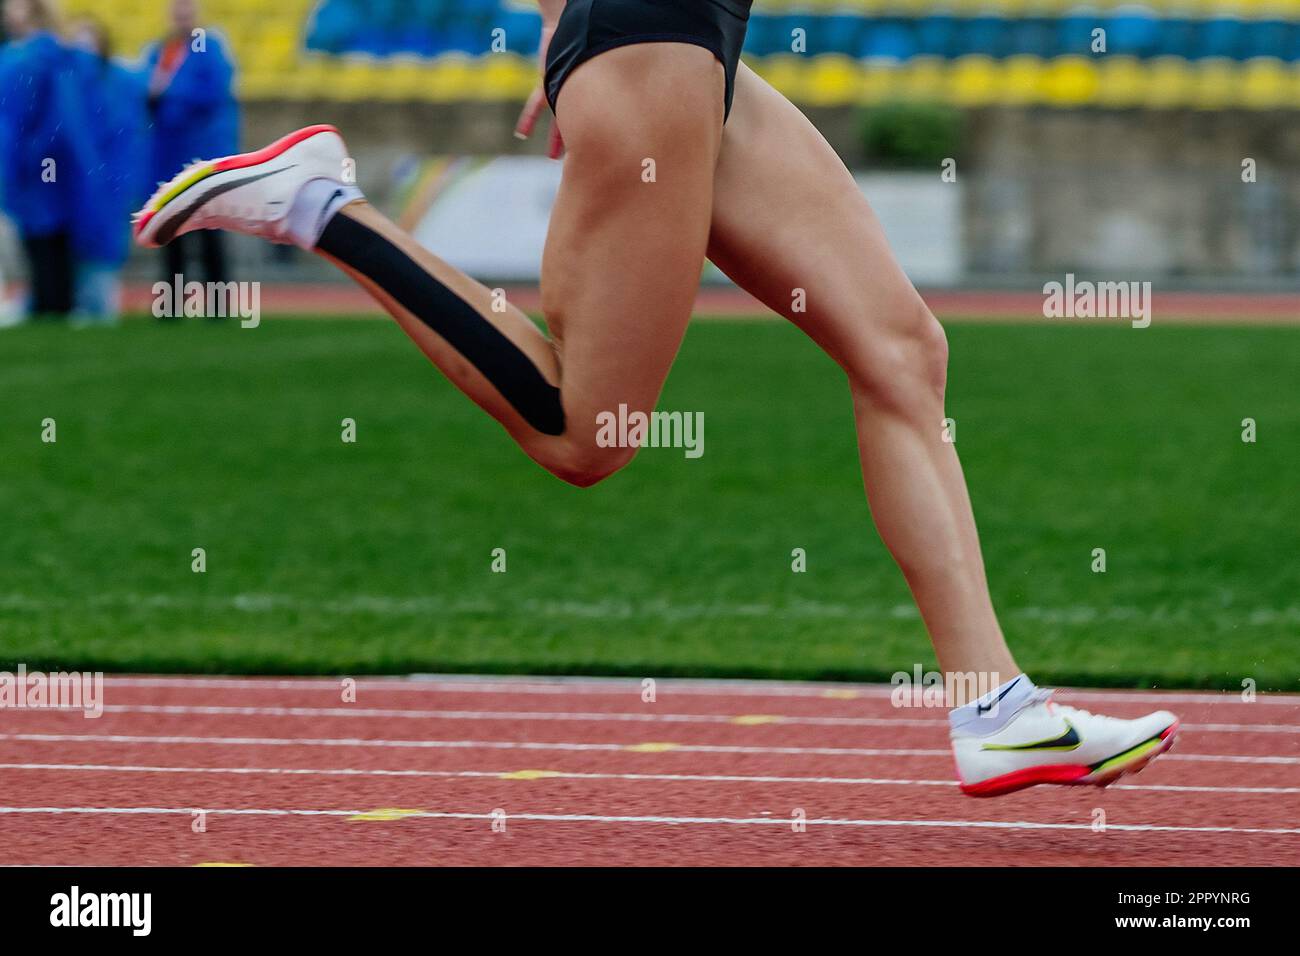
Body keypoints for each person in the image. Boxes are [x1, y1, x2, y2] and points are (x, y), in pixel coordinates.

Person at [132, 0, 1179, 796]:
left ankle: (993, 705)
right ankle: (320, 205)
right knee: (582, 430)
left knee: (904, 350)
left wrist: (555, 25)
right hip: (652, 39)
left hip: (694, 40)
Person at [141, 0, 237, 308]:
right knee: (172, 230)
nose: (181, 14)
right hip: (168, 155)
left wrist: (168, 89)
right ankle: (172, 304)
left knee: (210, 229)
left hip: (203, 155)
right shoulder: (162, 49)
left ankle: (218, 304)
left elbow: (214, 94)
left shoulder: (210, 48)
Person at [0, 0, 89, 319]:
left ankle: (54, 302)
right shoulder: (22, 52)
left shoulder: (43, 54)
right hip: (31, 159)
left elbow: (53, 113)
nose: (10, 12)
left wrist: (33, 153)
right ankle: (47, 299)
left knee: (48, 231)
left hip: (41, 161)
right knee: (38, 232)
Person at [67, 16, 149, 324]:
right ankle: (86, 303)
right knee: (82, 241)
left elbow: (123, 133)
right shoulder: (74, 84)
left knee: (103, 241)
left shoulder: (117, 83)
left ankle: (101, 305)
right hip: (84, 178)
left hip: (109, 177)